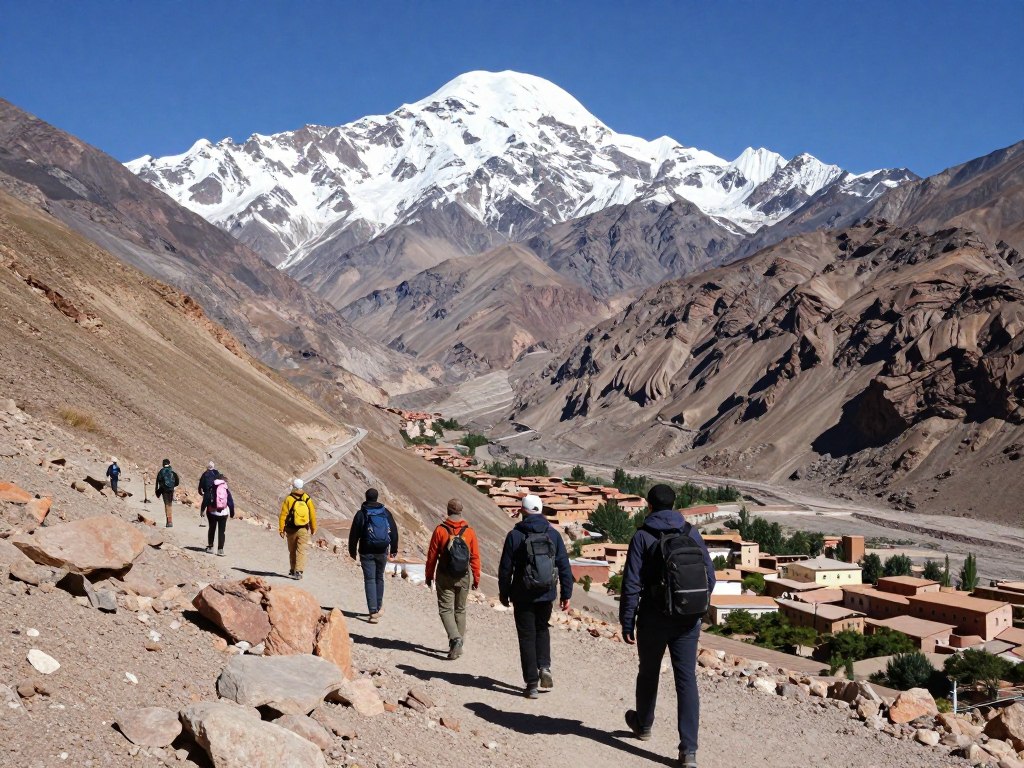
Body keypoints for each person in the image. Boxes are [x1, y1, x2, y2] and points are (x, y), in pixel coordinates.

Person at [619, 484, 716, 768]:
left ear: (649, 506)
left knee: (648, 673)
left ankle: (644, 724)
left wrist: (627, 620)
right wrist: (694, 606)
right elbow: (710, 577)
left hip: (652, 618)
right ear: (675, 505)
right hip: (687, 621)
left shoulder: (642, 536)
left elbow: (631, 583)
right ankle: (689, 751)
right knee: (686, 681)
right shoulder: (690, 532)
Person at [498, 494, 573, 699]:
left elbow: (506, 568)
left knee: (526, 636)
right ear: (540, 510)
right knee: (542, 629)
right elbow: (564, 565)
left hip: (522, 594)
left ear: (523, 511)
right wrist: (566, 593)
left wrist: (504, 593)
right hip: (546, 593)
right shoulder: (553, 534)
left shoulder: (515, 535)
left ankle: (531, 683)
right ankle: (545, 667)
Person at [425, 499, 481, 660]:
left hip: (444, 575)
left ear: (448, 511)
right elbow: (475, 557)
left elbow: (432, 556)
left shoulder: (440, 530)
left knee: (445, 609)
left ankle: (455, 639)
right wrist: (476, 578)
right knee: (460, 610)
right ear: (461, 511)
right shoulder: (469, 531)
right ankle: (458, 644)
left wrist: (429, 576)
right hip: (463, 576)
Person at [348, 488, 398, 623]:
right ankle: (379, 606)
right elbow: (393, 531)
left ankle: (373, 610)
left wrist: (352, 551)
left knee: (370, 579)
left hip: (366, 550)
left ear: (366, 497)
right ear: (377, 497)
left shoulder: (361, 514)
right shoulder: (385, 512)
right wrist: (394, 549)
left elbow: (354, 535)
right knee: (379, 578)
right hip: (382, 550)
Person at [279, 479, 316, 580]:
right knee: (301, 550)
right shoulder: (307, 498)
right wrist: (313, 528)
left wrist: (281, 529)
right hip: (303, 529)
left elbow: (283, 515)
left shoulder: (289, 499)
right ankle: (298, 571)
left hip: (291, 529)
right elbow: (312, 514)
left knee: (292, 550)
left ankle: (292, 569)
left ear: (293, 486)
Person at [204, 472, 234, 556]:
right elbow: (230, 501)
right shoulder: (225, 488)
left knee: (212, 529)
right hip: (223, 513)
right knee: (222, 531)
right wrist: (232, 512)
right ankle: (220, 550)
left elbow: (207, 498)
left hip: (212, 512)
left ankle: (210, 547)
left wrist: (203, 509)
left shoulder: (212, 486)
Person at [154, 459, 180, 528]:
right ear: (169, 463)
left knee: (167, 505)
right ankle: (169, 521)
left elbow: (158, 481)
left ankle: (169, 522)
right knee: (170, 504)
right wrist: (172, 486)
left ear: (163, 464)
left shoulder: (161, 472)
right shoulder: (172, 472)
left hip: (164, 490)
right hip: (171, 490)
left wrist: (157, 491)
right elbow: (177, 482)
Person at [197, 461, 218, 527]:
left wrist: (200, 492)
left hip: (206, 493)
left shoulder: (205, 474)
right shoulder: (216, 473)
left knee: (204, 506)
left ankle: (202, 521)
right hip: (214, 493)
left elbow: (201, 484)